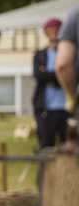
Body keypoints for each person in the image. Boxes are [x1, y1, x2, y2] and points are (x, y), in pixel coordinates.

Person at [33, 17, 69, 150]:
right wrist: (61, 76)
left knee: (68, 147)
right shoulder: (40, 55)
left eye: (57, 32)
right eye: (50, 32)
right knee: (46, 147)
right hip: (46, 109)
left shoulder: (70, 53)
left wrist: (51, 77)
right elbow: (38, 75)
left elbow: (73, 75)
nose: (54, 36)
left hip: (66, 108)